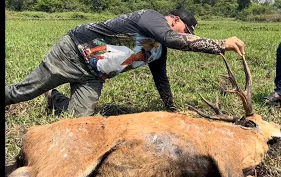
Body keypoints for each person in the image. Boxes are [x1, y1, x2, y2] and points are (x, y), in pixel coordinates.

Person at [5, 8, 245, 117]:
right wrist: (219, 44)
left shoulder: (158, 50)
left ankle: (54, 98)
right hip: (71, 54)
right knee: (25, 91)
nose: (187, 35)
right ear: (174, 20)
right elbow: (174, 39)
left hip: (93, 75)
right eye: (187, 30)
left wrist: (170, 108)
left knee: (79, 121)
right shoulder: (149, 17)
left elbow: (161, 79)